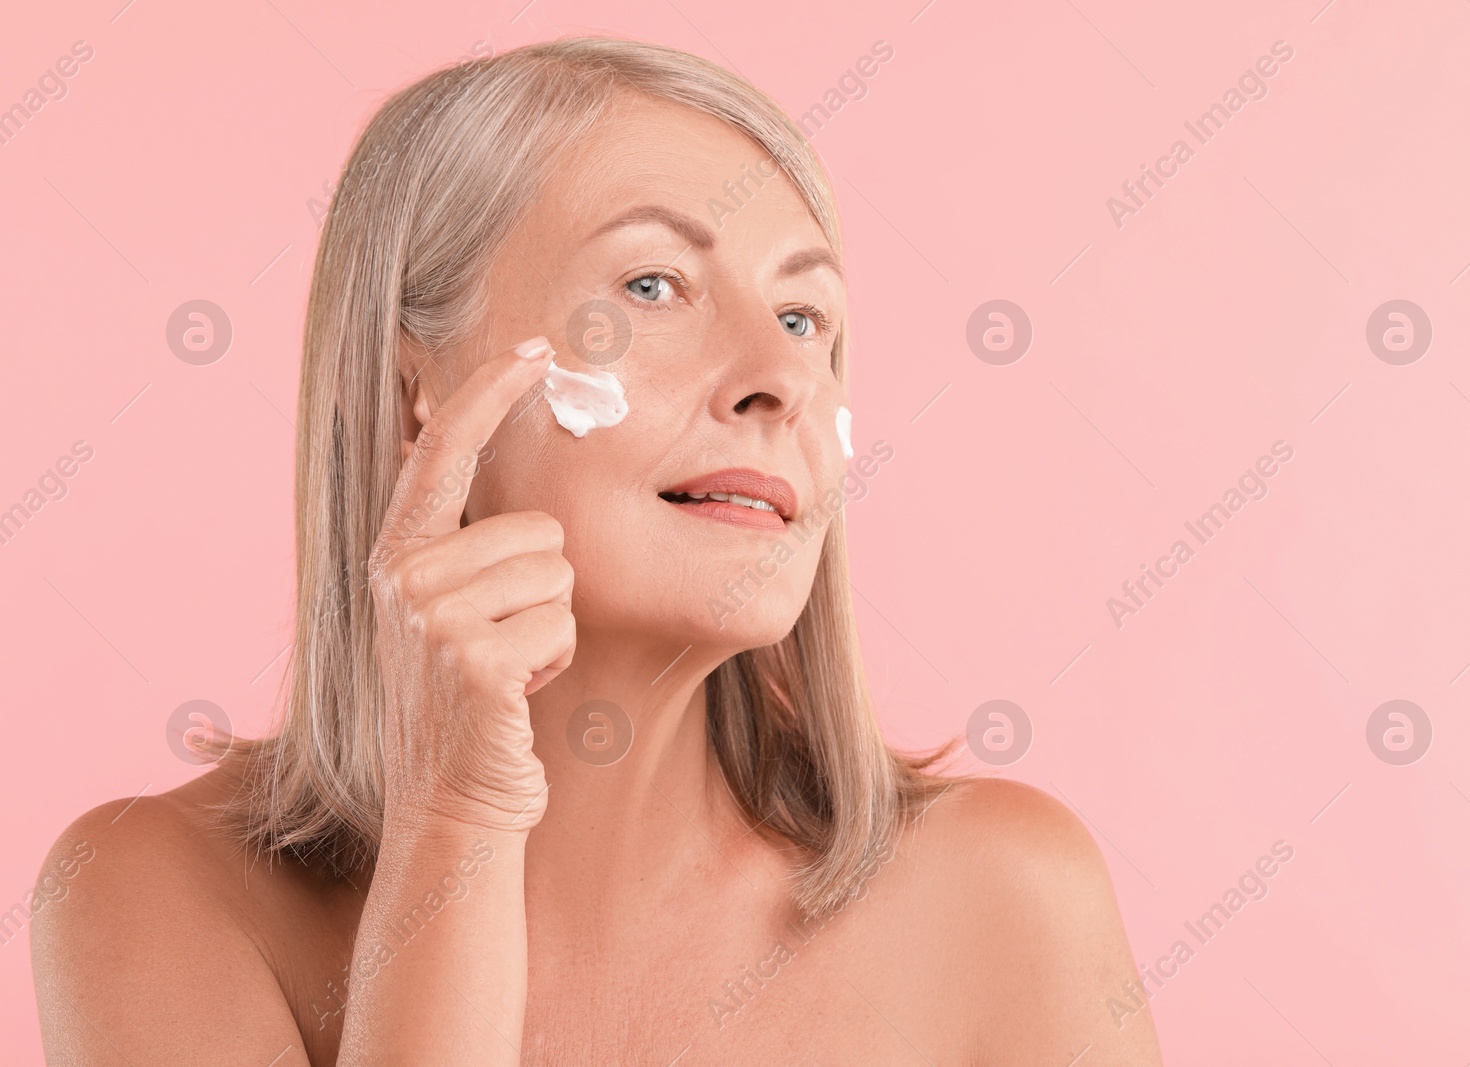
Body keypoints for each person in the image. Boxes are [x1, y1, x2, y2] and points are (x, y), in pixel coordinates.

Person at [32, 36, 1162, 1065]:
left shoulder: (1005, 896)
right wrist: (454, 823)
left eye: (806, 316)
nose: (779, 377)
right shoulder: (151, 894)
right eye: (652, 285)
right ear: (417, 392)